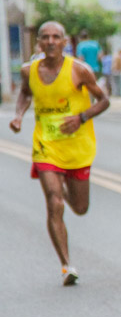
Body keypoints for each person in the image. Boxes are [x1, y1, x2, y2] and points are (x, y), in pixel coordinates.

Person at [8, 21, 110, 285]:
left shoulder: (79, 70)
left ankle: (64, 187)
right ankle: (67, 266)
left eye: (56, 37)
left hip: (77, 148)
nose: (51, 41)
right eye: (45, 37)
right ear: (38, 43)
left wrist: (82, 117)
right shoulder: (28, 71)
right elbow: (25, 94)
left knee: (80, 207)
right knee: (54, 202)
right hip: (46, 148)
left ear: (65, 42)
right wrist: (19, 115)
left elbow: (104, 100)